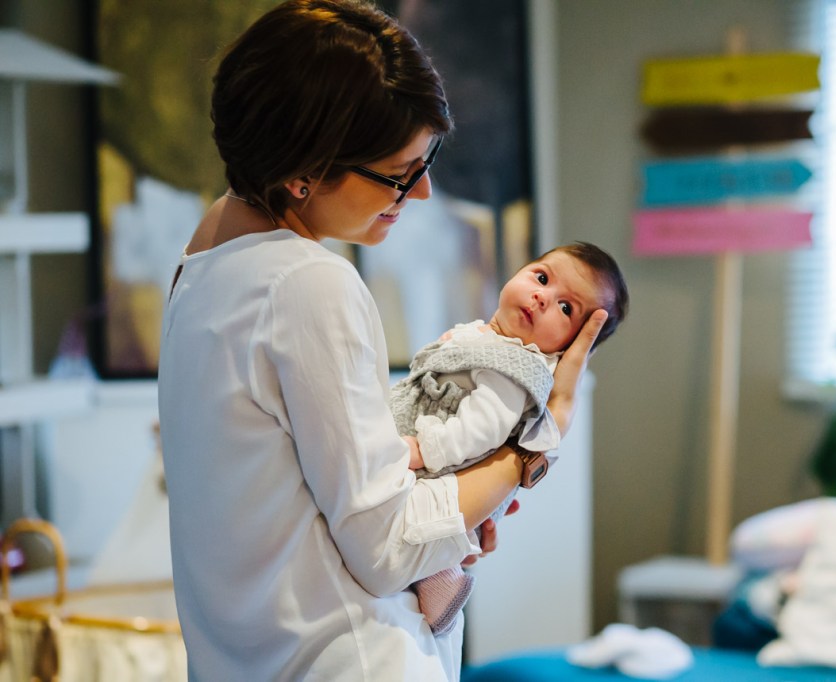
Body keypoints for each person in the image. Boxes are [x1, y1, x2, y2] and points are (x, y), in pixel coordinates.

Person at [156, 1, 607, 680]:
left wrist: (453, 507)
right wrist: (534, 445)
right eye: (399, 173)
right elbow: (389, 549)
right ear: (305, 169)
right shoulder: (308, 283)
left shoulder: (201, 262)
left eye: (427, 162)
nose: (420, 192)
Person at [390, 241, 628, 635]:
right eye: (542, 278)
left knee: (422, 542)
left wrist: (423, 451)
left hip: (438, 462)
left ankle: (442, 582)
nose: (542, 297)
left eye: (566, 308)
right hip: (429, 460)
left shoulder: (517, 370)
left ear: (571, 348)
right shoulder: (489, 338)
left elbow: (480, 430)